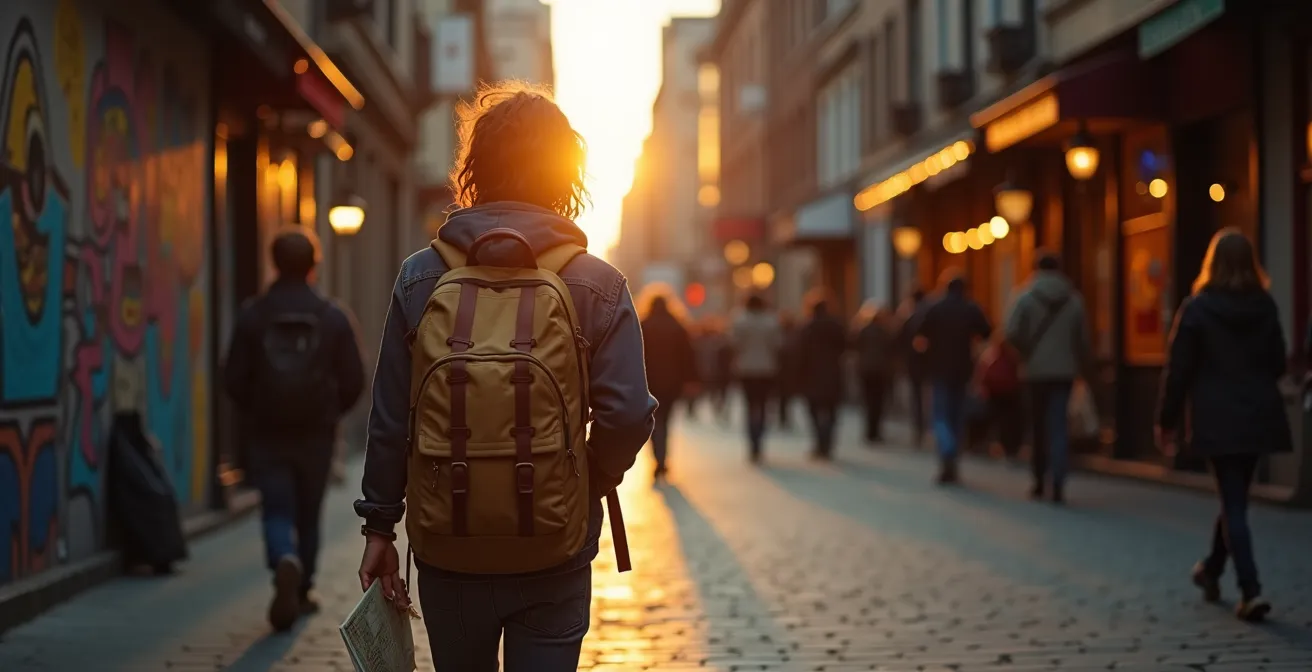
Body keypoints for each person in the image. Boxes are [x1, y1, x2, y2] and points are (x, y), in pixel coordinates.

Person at [354, 82, 656, 669]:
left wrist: (379, 528)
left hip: (450, 542)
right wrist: (581, 479)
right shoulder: (596, 281)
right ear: (564, 171)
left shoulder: (421, 277)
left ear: (476, 167)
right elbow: (628, 413)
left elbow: (391, 416)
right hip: (554, 545)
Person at [222, 227, 365, 631]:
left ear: (274, 263)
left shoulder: (254, 313)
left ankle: (283, 555)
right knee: (309, 510)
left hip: (268, 432)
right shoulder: (332, 316)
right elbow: (354, 379)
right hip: (315, 434)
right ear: (313, 265)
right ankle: (302, 590)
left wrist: (256, 410)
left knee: (277, 507)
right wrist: (330, 412)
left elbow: (232, 377)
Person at [1157, 228, 1289, 623]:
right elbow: (1278, 362)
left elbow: (1178, 371)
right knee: (1235, 500)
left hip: (1216, 415)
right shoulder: (1264, 307)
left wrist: (1165, 422)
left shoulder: (1197, 309)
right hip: (1257, 414)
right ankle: (1211, 569)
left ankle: (1250, 590)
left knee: (1233, 502)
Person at [1003, 251, 1092, 503]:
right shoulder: (1074, 300)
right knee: (1058, 425)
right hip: (1064, 371)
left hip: (1034, 372)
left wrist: (1025, 353)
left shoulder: (1025, 297)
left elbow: (1010, 331)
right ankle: (1059, 481)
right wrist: (1083, 366)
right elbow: (1083, 340)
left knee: (1038, 426)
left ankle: (1039, 480)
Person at [915, 271, 991, 484]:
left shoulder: (935, 308)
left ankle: (947, 451)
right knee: (957, 415)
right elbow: (986, 332)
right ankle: (953, 457)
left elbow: (919, 335)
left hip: (939, 369)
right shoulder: (970, 308)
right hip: (962, 370)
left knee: (940, 415)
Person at [638, 286, 699, 479]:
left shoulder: (643, 326)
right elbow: (688, 356)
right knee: (666, 420)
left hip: (650, 382)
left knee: (654, 421)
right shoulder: (678, 327)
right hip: (673, 382)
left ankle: (658, 457)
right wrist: (691, 379)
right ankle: (663, 459)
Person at [730, 294, 783, 462]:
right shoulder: (771, 321)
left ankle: (752, 442)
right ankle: (760, 439)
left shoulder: (740, 320)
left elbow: (733, 343)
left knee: (750, 405)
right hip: (766, 369)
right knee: (763, 405)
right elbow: (778, 344)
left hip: (746, 369)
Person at [797, 291, 848, 460]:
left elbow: (800, 353)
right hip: (832, 373)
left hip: (811, 374)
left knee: (814, 410)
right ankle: (828, 442)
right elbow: (844, 347)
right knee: (831, 410)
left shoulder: (807, 327)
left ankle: (819, 441)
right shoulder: (836, 325)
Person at [973, 333, 1023, 462]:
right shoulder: (1012, 356)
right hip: (1008, 393)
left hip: (995, 393)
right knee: (1007, 422)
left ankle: (993, 444)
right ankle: (1007, 447)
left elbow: (983, 373)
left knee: (996, 421)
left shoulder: (990, 355)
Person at [851, 300, 895, 444]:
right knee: (878, 402)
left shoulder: (863, 330)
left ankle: (869, 431)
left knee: (868, 401)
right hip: (880, 371)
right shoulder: (885, 331)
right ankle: (875, 431)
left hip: (866, 370)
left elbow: (854, 347)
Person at [897, 288, 930, 445]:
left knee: (917, 397)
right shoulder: (929, 315)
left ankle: (919, 428)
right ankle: (926, 427)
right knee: (929, 396)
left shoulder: (910, 319)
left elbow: (900, 341)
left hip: (914, 365)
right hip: (930, 365)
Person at [776, 311, 800, 429]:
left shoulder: (780, 335)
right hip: (790, 370)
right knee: (786, 396)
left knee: (783, 396)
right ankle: (784, 416)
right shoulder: (795, 335)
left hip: (781, 370)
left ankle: (783, 417)